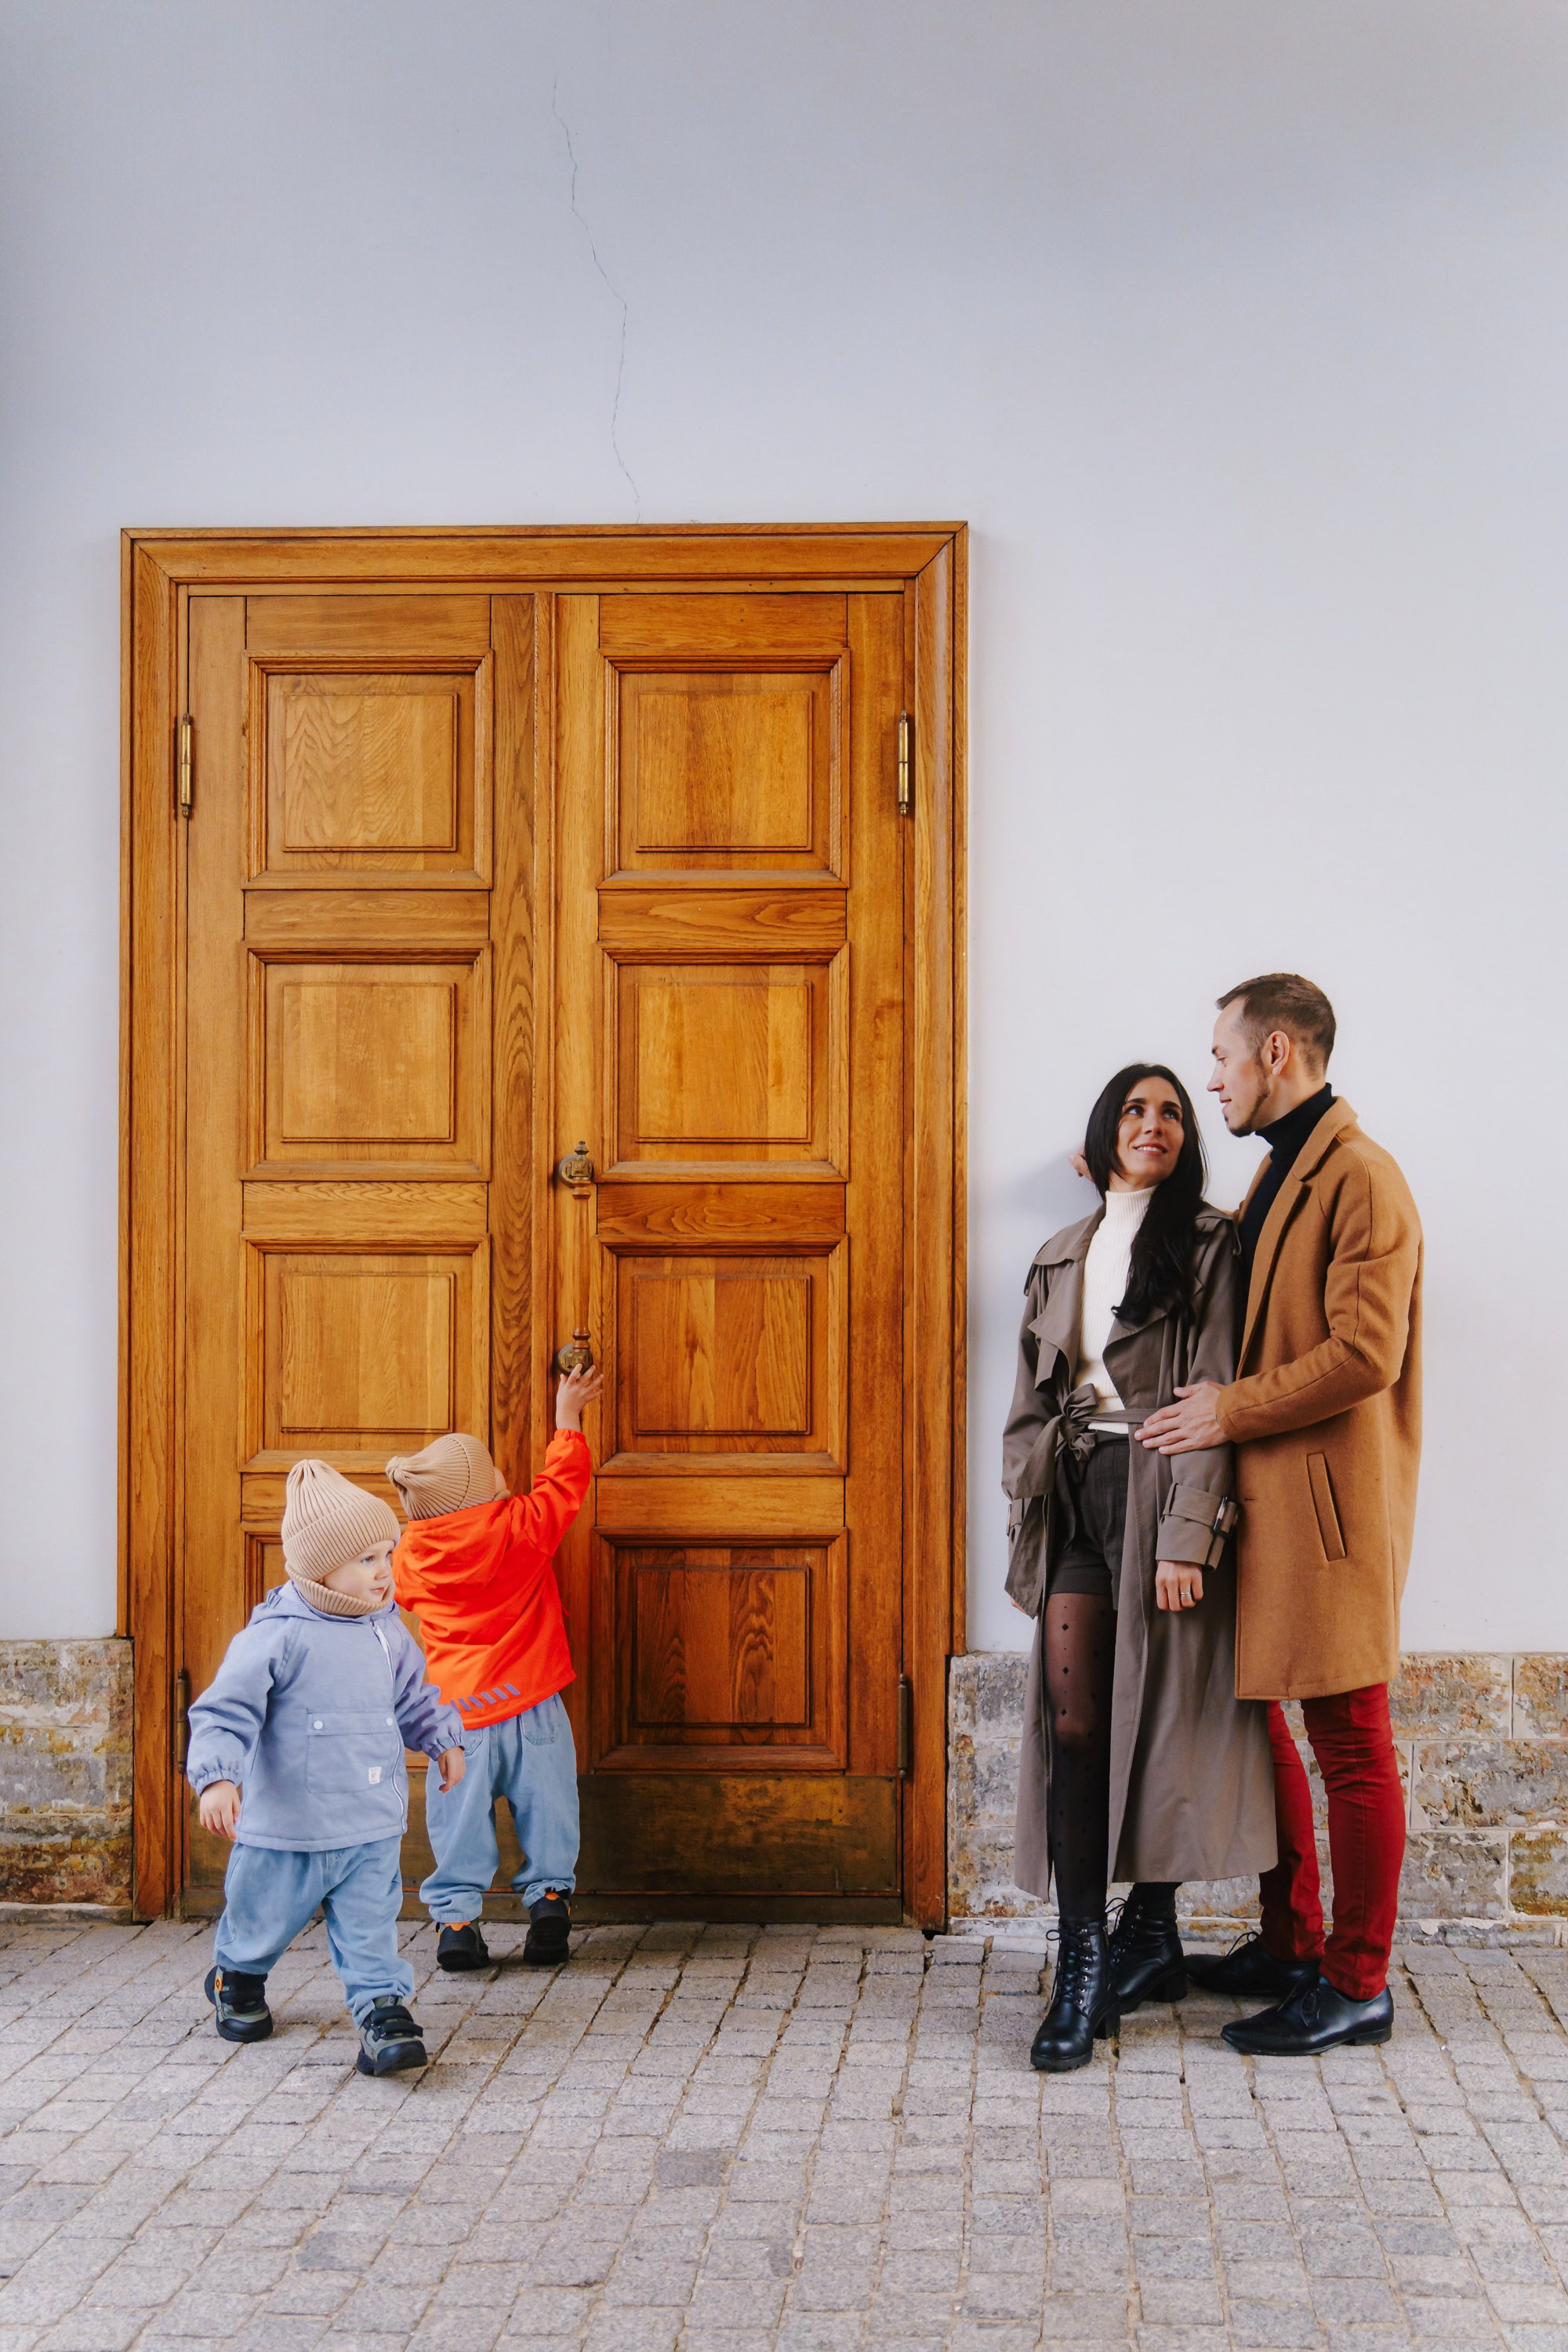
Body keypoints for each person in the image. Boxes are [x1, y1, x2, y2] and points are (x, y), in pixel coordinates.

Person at [1140, 974, 1421, 2056]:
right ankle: (1291, 1941)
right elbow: (1242, 1269)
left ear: (1276, 1052)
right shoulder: (1284, 1170)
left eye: (1219, 1057)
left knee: (1352, 1738)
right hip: (1274, 1511)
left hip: (1334, 1511)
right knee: (1265, 1723)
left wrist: (1226, 1410)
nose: (1207, 1077)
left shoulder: (1364, 1178)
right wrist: (1131, 1183)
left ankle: (1357, 1984)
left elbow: (1365, 1354)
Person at [1004, 1065, 1276, 2071]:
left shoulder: (1206, 1245)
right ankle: (1085, 1956)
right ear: (1103, 1130)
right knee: (1074, 1722)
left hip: (1159, 1488)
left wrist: (1186, 1534)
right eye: (1132, 1109)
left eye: (1169, 1111)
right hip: (1076, 1495)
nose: (1151, 1123)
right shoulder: (1056, 1254)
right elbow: (1031, 1394)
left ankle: (1149, 1935)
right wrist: (1028, 1496)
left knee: (1153, 1717)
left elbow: (1213, 1389)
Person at [186, 1458, 465, 2075]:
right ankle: (238, 1978)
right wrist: (218, 1776)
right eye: (366, 1559)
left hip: (368, 1823)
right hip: (287, 1830)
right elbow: (226, 1710)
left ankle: (382, 2010)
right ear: (320, 1566)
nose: (383, 1572)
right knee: (261, 1917)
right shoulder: (277, 1636)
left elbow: (416, 1696)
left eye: (386, 1556)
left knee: (370, 1926)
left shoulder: (388, 1634)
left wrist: (443, 1739)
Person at [388, 1365, 601, 1972]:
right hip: (533, 1702)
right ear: (486, 1491)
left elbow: (394, 1596)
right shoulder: (519, 1530)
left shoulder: (413, 1555)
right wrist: (568, 1418)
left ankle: (457, 1922)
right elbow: (563, 1486)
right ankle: (551, 1903)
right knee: (551, 1806)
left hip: (458, 1717)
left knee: (457, 1820)